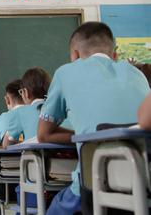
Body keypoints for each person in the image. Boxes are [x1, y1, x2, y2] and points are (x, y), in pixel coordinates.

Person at [37, 21, 150, 214]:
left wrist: (90, 135)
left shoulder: (65, 72)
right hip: (144, 180)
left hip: (95, 181)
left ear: (74, 54)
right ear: (114, 54)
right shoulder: (137, 73)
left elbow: (44, 135)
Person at [6, 67, 51, 143]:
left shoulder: (20, 112)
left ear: (25, 92)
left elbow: (7, 143)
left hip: (36, 153)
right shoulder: (58, 107)